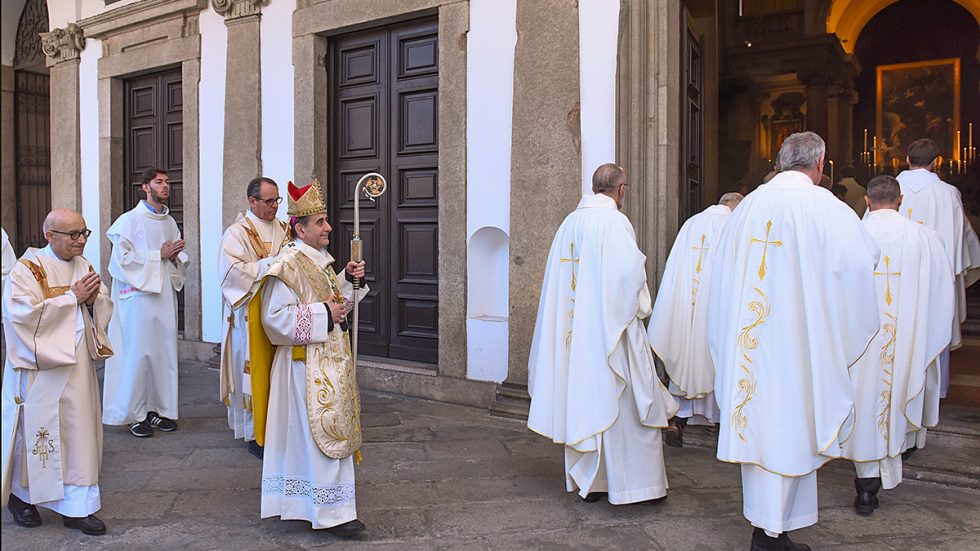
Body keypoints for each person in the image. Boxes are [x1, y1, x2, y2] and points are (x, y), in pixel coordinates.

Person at [707, 132, 880, 551]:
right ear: (820, 165)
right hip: (799, 345)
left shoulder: (747, 206)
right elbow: (863, 260)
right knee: (791, 428)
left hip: (752, 342)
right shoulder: (825, 206)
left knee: (765, 428)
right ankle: (769, 537)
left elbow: (721, 274)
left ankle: (773, 531)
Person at [527, 163, 678, 506]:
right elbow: (629, 277)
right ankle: (637, 486)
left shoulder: (569, 223)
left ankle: (592, 482)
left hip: (578, 335)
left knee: (585, 397)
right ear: (621, 189)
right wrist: (641, 306)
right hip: (614, 336)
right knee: (625, 405)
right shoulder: (614, 222)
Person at [251, 179, 367, 535]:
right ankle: (328, 512)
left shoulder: (318, 263)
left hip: (329, 361)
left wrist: (348, 281)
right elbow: (275, 320)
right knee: (314, 438)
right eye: (320, 222)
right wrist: (323, 314)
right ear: (300, 229)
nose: (329, 227)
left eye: (326, 220)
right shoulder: (285, 266)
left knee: (329, 434)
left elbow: (334, 305)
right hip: (304, 367)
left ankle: (329, 506)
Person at [841, 175, 953, 516]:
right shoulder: (925, 239)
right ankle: (871, 483)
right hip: (904, 342)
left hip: (857, 346)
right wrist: (923, 336)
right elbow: (942, 298)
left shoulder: (848, 236)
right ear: (901, 201)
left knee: (861, 401)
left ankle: (866, 482)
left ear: (867, 201)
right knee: (894, 395)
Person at [1, 209, 113, 535]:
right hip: (41, 368)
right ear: (50, 235)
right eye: (73, 235)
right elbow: (20, 317)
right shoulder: (27, 270)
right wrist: (72, 298)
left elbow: (101, 304)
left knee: (79, 434)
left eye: (84, 233)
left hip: (76, 369)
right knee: (35, 433)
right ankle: (22, 497)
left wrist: (94, 302)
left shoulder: (83, 264)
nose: (81, 241)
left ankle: (77, 506)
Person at [647, 192, 743, 447]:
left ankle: (678, 422)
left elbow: (675, 268)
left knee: (687, 358)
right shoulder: (734, 225)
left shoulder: (691, 224)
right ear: (735, 207)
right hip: (718, 311)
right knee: (718, 363)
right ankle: (724, 428)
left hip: (686, 312)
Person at [102, 167, 189, 438]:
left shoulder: (169, 221)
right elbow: (120, 262)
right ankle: (133, 413)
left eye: (167, 182)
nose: (165, 186)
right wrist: (158, 255)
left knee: (162, 353)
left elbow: (178, 258)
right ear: (145, 187)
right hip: (136, 298)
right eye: (159, 182)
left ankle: (157, 410)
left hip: (163, 297)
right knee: (137, 354)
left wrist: (176, 257)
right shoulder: (128, 221)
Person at [896, 139, 980, 399]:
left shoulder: (887, 188)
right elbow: (963, 238)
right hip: (937, 280)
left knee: (898, 335)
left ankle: (899, 391)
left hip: (895, 279)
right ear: (936, 162)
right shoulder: (949, 193)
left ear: (907, 159)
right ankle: (936, 392)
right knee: (936, 329)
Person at [218, 177, 290, 458]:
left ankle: (276, 429)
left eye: (277, 201)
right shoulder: (237, 233)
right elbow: (231, 273)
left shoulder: (284, 229)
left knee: (277, 372)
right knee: (252, 373)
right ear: (252, 202)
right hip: (248, 317)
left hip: (279, 314)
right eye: (269, 201)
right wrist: (270, 265)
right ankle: (252, 433)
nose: (274, 207)